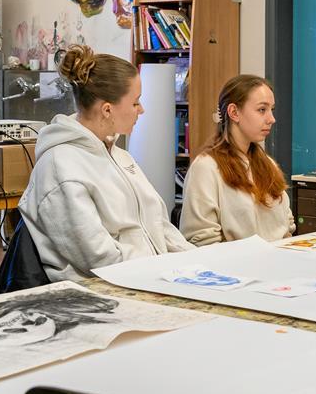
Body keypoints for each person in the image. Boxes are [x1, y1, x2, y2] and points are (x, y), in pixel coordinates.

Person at [18, 44, 193, 280]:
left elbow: (159, 225)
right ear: (107, 110)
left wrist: (194, 262)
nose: (141, 110)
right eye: (135, 102)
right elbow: (98, 257)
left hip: (148, 278)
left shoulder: (120, 157)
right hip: (102, 293)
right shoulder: (60, 167)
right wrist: (158, 272)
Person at [180, 74, 294, 246]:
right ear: (234, 112)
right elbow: (201, 240)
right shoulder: (206, 168)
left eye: (272, 110)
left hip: (277, 263)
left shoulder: (268, 165)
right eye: (262, 110)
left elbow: (287, 227)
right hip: (235, 268)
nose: (272, 119)